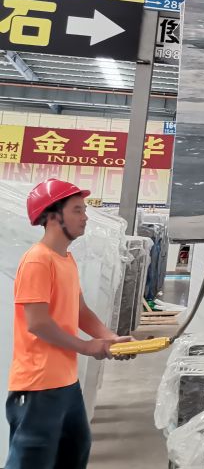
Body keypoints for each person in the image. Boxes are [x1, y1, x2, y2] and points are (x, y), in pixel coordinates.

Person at [6, 178, 133, 469]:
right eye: (77, 210)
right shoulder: (38, 261)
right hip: (38, 386)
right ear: (53, 216)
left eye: (84, 210)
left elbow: (80, 311)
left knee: (75, 452)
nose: (85, 217)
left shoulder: (66, 260)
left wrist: (110, 338)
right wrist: (87, 347)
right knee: (32, 462)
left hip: (65, 382)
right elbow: (37, 323)